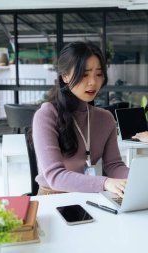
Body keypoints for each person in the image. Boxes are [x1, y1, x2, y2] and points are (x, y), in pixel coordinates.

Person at [32, 41, 128, 196]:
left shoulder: (105, 118)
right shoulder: (46, 115)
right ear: (65, 76)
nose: (93, 82)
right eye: (84, 74)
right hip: (52, 196)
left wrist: (139, 179)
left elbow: (114, 165)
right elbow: (54, 176)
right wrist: (105, 182)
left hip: (88, 193)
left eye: (98, 74)